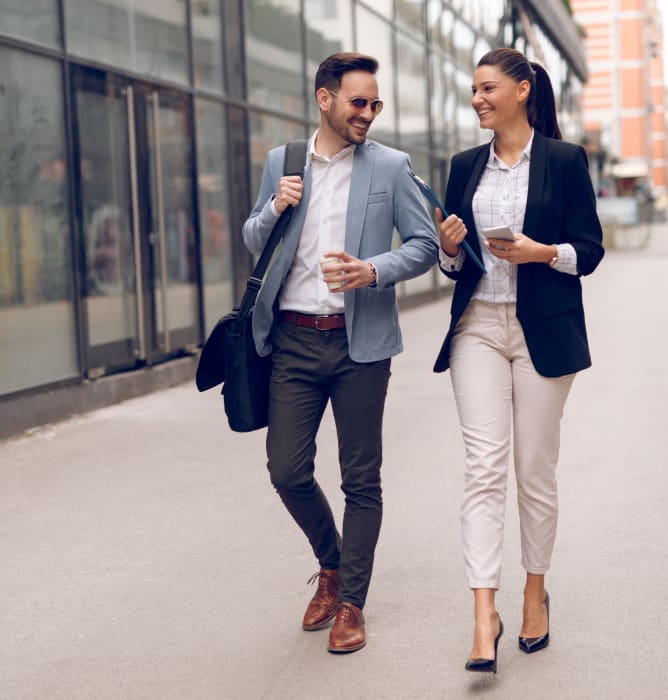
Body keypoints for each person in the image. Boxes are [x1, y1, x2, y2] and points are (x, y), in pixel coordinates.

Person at [243, 52, 438, 654]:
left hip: (360, 346)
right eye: (359, 102)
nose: (369, 113)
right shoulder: (284, 162)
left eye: (376, 103)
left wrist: (372, 270)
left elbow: (426, 244)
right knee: (286, 470)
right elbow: (254, 239)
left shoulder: (390, 166)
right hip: (294, 341)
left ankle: (351, 601)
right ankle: (330, 564)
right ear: (325, 99)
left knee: (361, 479)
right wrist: (275, 206)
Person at [432, 48, 604, 673]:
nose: (478, 99)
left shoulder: (564, 161)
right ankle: (484, 615)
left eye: (487, 88)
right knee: (483, 468)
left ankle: (535, 590)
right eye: (473, 90)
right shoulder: (463, 166)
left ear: (523, 90)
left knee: (533, 469)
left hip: (542, 334)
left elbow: (589, 251)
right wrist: (450, 250)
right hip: (477, 325)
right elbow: (454, 267)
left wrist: (541, 253)